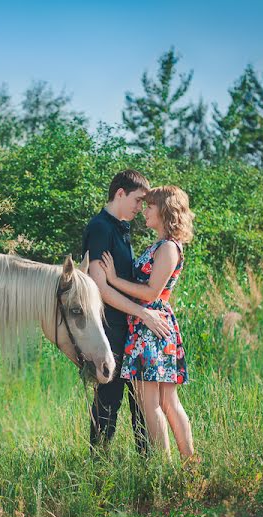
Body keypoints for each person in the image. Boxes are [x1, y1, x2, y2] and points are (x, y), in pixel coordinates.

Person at [99, 185, 195, 459]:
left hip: (151, 327)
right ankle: (188, 465)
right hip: (150, 325)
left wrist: (114, 280)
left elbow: (152, 292)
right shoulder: (160, 245)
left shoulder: (167, 248)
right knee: (163, 401)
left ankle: (168, 467)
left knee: (152, 402)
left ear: (164, 210)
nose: (145, 211)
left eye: (150, 206)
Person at [82, 170, 171, 454]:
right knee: (108, 397)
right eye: (137, 200)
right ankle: (98, 465)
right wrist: (143, 313)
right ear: (120, 193)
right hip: (110, 326)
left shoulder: (122, 228)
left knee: (140, 401)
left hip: (131, 327)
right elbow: (99, 287)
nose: (140, 208)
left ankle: (148, 465)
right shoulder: (100, 228)